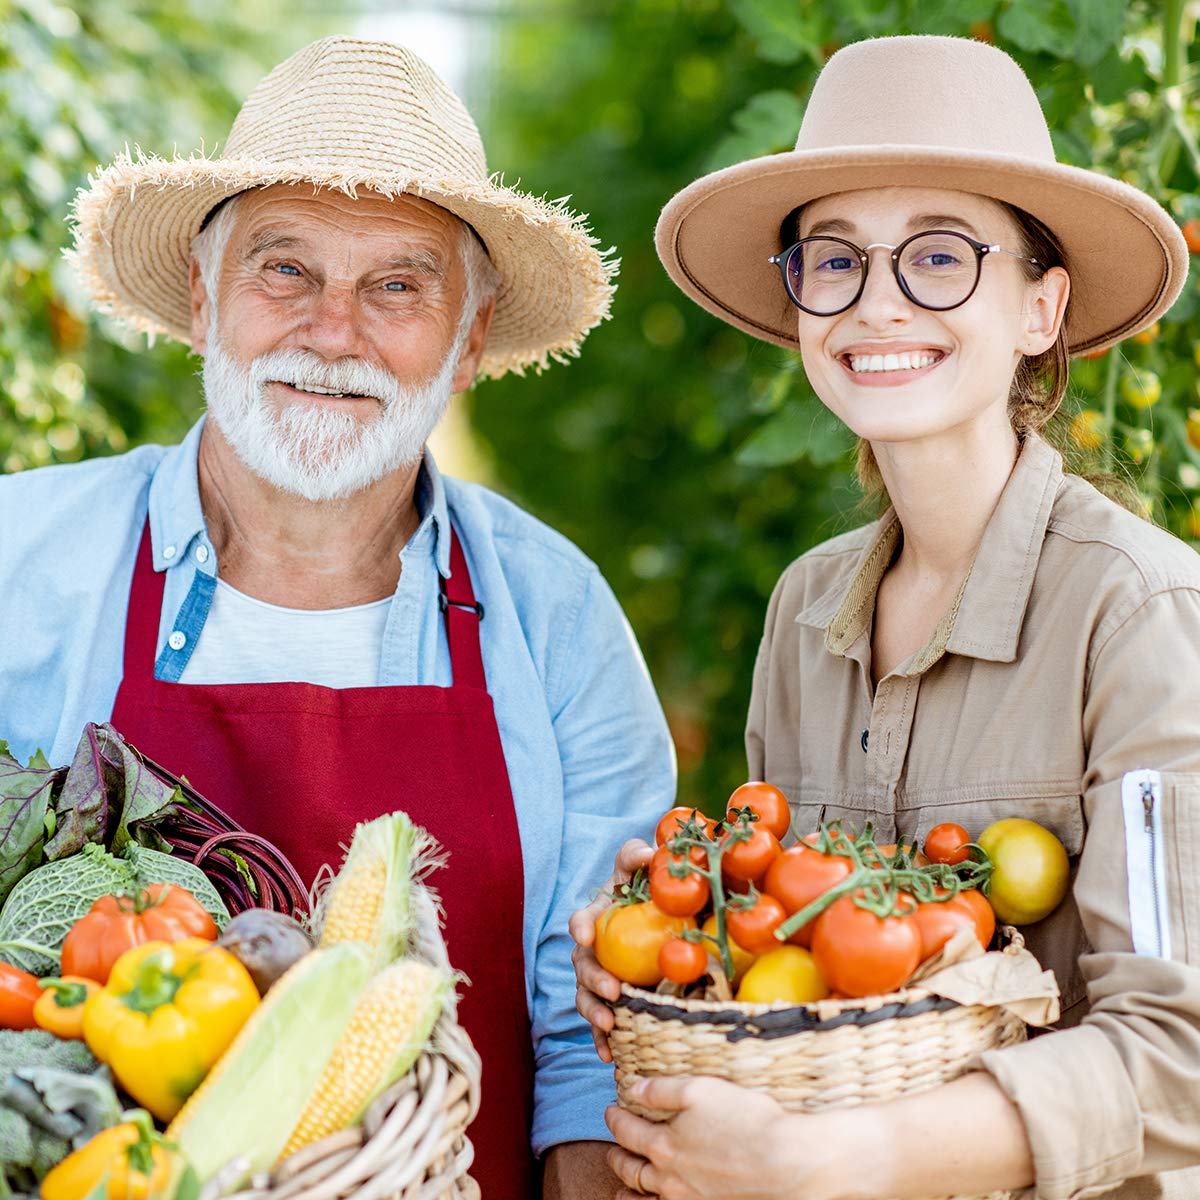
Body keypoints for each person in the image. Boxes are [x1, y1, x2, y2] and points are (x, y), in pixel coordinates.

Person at [0, 37, 674, 1199]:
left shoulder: (556, 615)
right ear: (203, 300)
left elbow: (589, 1049)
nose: (333, 331)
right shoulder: (20, 559)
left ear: (468, 342)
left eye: (398, 286)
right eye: (285, 270)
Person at [572, 34, 1200, 1200]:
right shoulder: (806, 609)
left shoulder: (1139, 611)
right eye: (835, 260)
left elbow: (1183, 1057)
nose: (877, 303)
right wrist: (678, 936)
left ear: (1042, 307)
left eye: (941, 256)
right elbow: (803, 957)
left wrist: (841, 1162)